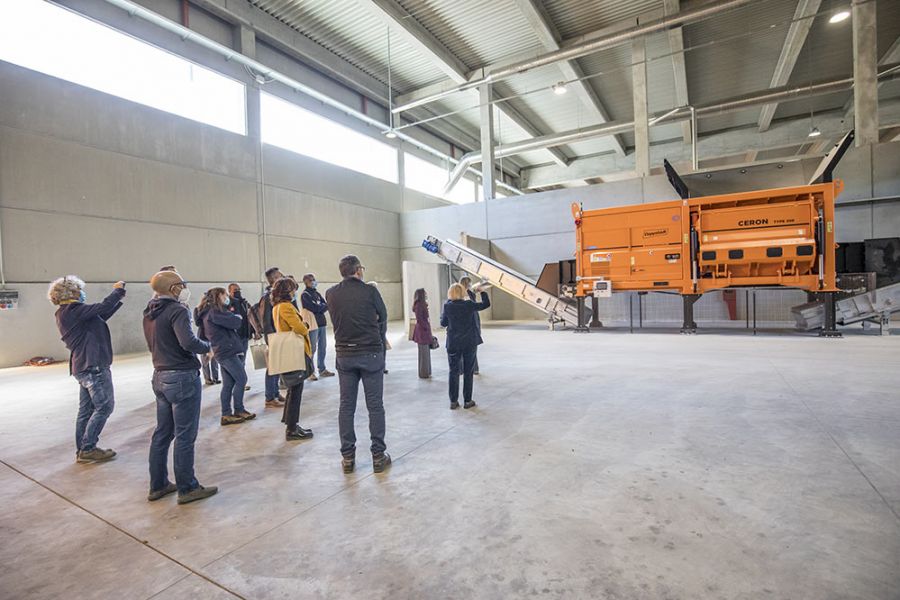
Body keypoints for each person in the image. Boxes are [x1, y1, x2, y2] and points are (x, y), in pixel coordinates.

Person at [143, 270, 218, 505]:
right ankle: (187, 487)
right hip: (182, 377)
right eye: (181, 284)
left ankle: (158, 484)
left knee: (162, 433)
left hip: (160, 374)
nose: (185, 288)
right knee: (185, 435)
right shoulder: (177, 310)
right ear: (173, 288)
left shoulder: (150, 311)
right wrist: (207, 346)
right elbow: (187, 341)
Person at [48, 276, 126, 464]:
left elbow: (100, 316)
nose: (81, 293)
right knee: (105, 406)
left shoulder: (65, 313)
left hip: (83, 365)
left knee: (86, 410)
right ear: (71, 292)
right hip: (93, 365)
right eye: (78, 290)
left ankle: (82, 449)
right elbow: (102, 308)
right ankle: (88, 448)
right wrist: (118, 290)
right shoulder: (74, 310)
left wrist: (117, 301)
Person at [326, 255, 391, 474]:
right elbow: (383, 316)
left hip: (344, 354)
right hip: (370, 352)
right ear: (358, 270)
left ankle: (348, 457)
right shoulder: (370, 291)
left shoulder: (331, 293)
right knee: (375, 406)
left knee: (346, 406)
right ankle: (378, 456)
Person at [197, 287, 254, 426]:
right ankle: (238, 409)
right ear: (219, 296)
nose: (227, 298)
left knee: (228, 384)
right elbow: (235, 322)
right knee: (241, 378)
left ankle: (226, 414)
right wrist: (237, 317)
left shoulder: (211, 312)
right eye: (225, 295)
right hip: (226, 351)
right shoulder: (214, 312)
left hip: (223, 350)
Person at [271, 277, 314, 441]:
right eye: (293, 289)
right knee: (296, 391)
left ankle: (291, 424)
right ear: (287, 291)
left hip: (287, 350)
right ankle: (292, 428)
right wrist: (306, 326)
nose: (295, 292)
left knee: (292, 390)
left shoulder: (276, 307)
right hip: (294, 351)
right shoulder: (286, 307)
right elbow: (299, 328)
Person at [441, 283, 490, 410]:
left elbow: (443, 323)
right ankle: (467, 401)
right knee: (468, 371)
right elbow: (485, 304)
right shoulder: (468, 305)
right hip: (469, 342)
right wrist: (482, 292)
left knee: (453, 371)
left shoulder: (447, 306)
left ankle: (453, 401)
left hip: (453, 342)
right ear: (463, 292)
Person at [256, 267, 286, 408]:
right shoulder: (268, 297)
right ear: (274, 279)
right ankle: (269, 397)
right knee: (272, 366)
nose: (283, 276)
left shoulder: (276, 294)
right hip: (273, 335)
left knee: (277, 365)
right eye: (280, 275)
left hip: (278, 334)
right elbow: (267, 320)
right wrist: (272, 338)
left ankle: (275, 392)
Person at [300, 273, 334, 381]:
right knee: (312, 348)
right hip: (313, 325)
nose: (314, 281)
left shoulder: (317, 294)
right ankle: (310, 372)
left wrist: (320, 307)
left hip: (322, 323)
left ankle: (322, 369)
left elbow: (326, 305)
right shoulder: (305, 295)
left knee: (322, 347)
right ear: (306, 282)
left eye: (314, 279)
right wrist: (320, 307)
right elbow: (313, 308)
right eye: (311, 280)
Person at [227, 283, 252, 391]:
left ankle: (241, 382)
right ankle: (236, 383)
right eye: (235, 290)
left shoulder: (244, 303)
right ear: (229, 291)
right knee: (235, 362)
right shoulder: (228, 304)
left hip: (244, 335)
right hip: (234, 338)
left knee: (242, 361)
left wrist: (253, 331)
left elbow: (249, 317)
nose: (237, 292)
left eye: (238, 289)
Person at [459, 277, 481, 375]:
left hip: (472, 322)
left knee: (471, 347)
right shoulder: (461, 294)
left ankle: (472, 368)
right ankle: (465, 368)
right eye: (469, 283)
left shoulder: (469, 293)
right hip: (468, 323)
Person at [195, 303, 220, 386]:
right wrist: (202, 312)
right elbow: (197, 323)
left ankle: (215, 377)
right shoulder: (197, 309)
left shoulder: (213, 308)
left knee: (214, 357)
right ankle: (207, 379)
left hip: (212, 335)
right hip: (202, 336)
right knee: (205, 358)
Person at [411, 288, 433, 379]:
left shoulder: (422, 304)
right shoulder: (419, 305)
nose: (426, 295)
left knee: (426, 352)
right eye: (425, 293)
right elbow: (420, 319)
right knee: (424, 353)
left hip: (424, 331)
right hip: (422, 332)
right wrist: (426, 327)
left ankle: (427, 371)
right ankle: (424, 373)